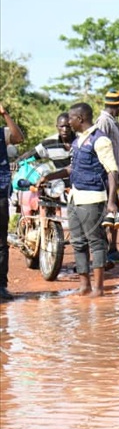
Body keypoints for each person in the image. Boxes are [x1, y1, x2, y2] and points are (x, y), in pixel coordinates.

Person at [40, 103, 119, 297]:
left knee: (96, 242)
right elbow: (71, 168)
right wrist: (50, 176)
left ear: (81, 118)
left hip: (92, 198)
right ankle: (85, 286)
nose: (69, 123)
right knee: (77, 242)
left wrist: (111, 201)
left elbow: (112, 171)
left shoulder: (100, 140)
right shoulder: (78, 141)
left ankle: (99, 288)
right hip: (75, 197)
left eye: (71, 119)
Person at [96, 89, 119, 263]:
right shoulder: (103, 122)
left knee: (116, 211)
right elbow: (100, 148)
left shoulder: (113, 123)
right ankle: (105, 251)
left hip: (116, 173)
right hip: (108, 174)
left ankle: (113, 249)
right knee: (108, 210)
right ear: (118, 106)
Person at [0, 103, 25, 300]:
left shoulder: (3, 133)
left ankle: (1, 285)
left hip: (0, 192)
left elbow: (18, 138)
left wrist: (5, 114)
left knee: (1, 242)